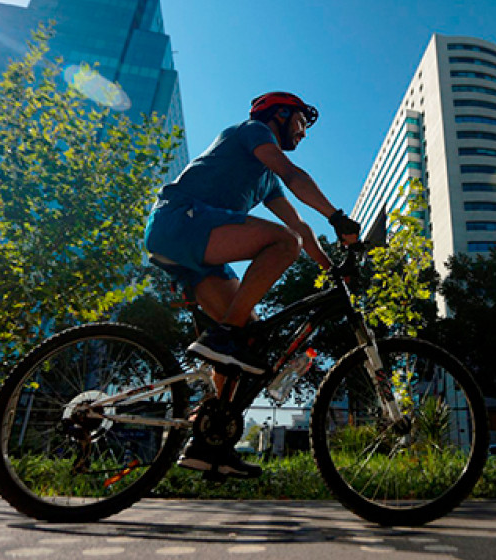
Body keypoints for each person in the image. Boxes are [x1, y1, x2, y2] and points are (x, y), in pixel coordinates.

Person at [144, 91, 360, 477]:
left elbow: (300, 226)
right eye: (301, 122)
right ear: (279, 115)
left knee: (247, 339)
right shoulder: (251, 131)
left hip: (195, 249)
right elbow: (293, 176)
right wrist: (337, 216)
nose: (304, 133)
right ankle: (222, 336)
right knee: (282, 245)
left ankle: (209, 444)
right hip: (179, 220)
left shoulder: (266, 181)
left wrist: (330, 268)